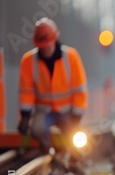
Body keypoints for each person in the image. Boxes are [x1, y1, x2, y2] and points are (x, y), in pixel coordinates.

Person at [17, 18, 88, 167]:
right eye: (42, 46)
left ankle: (73, 159)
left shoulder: (71, 57)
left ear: (55, 39)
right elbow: (27, 92)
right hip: (44, 110)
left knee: (75, 137)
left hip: (67, 110)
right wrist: (25, 117)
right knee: (37, 129)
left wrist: (76, 118)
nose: (45, 49)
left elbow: (80, 90)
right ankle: (49, 153)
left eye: (47, 44)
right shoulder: (28, 61)